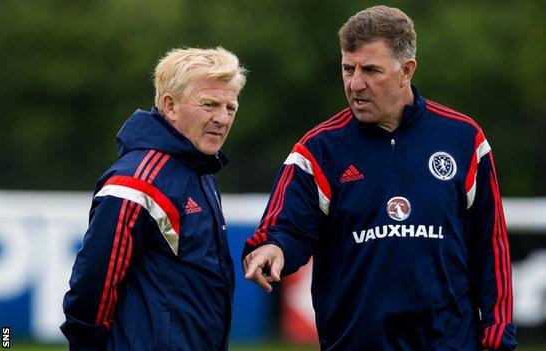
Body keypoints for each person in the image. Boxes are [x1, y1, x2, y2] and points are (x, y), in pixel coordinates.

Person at [243, 5, 517, 350]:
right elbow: (285, 228)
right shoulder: (318, 150)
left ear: (406, 70)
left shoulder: (463, 139)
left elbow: (491, 245)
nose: (355, 83)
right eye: (347, 69)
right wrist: (272, 247)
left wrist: (497, 334)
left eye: (371, 70)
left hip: (449, 343)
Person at [61, 47, 247, 350]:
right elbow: (92, 288)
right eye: (210, 104)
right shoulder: (136, 183)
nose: (222, 118)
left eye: (231, 107)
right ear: (169, 106)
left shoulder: (200, 170)